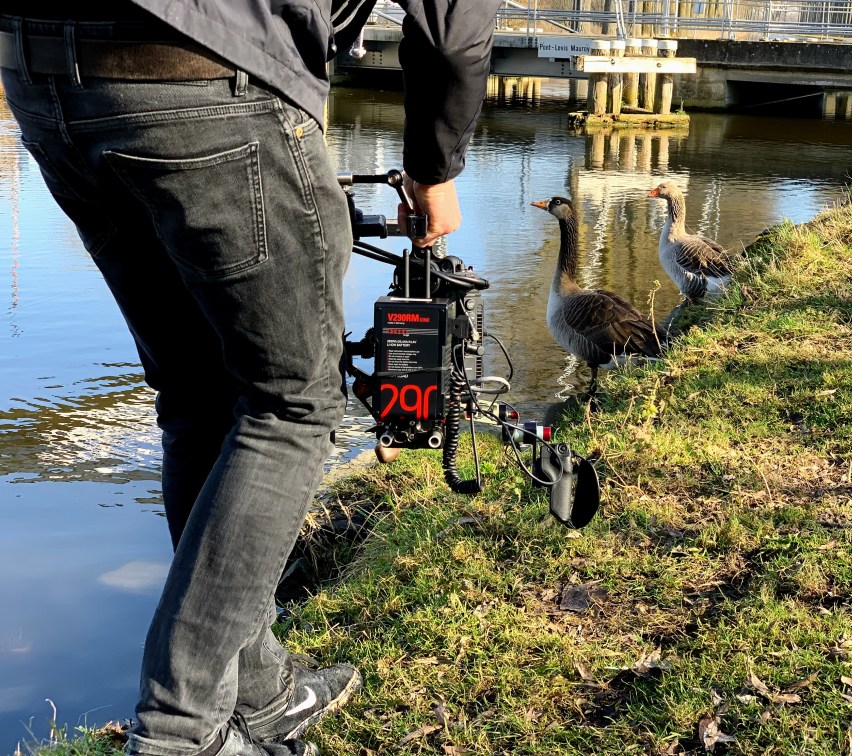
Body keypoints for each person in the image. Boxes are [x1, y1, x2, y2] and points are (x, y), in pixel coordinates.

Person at [0, 1, 502, 754]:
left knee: (198, 390)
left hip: (40, 72)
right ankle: (180, 730)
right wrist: (435, 168)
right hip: (203, 72)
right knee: (293, 404)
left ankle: (262, 693)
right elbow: (451, 23)